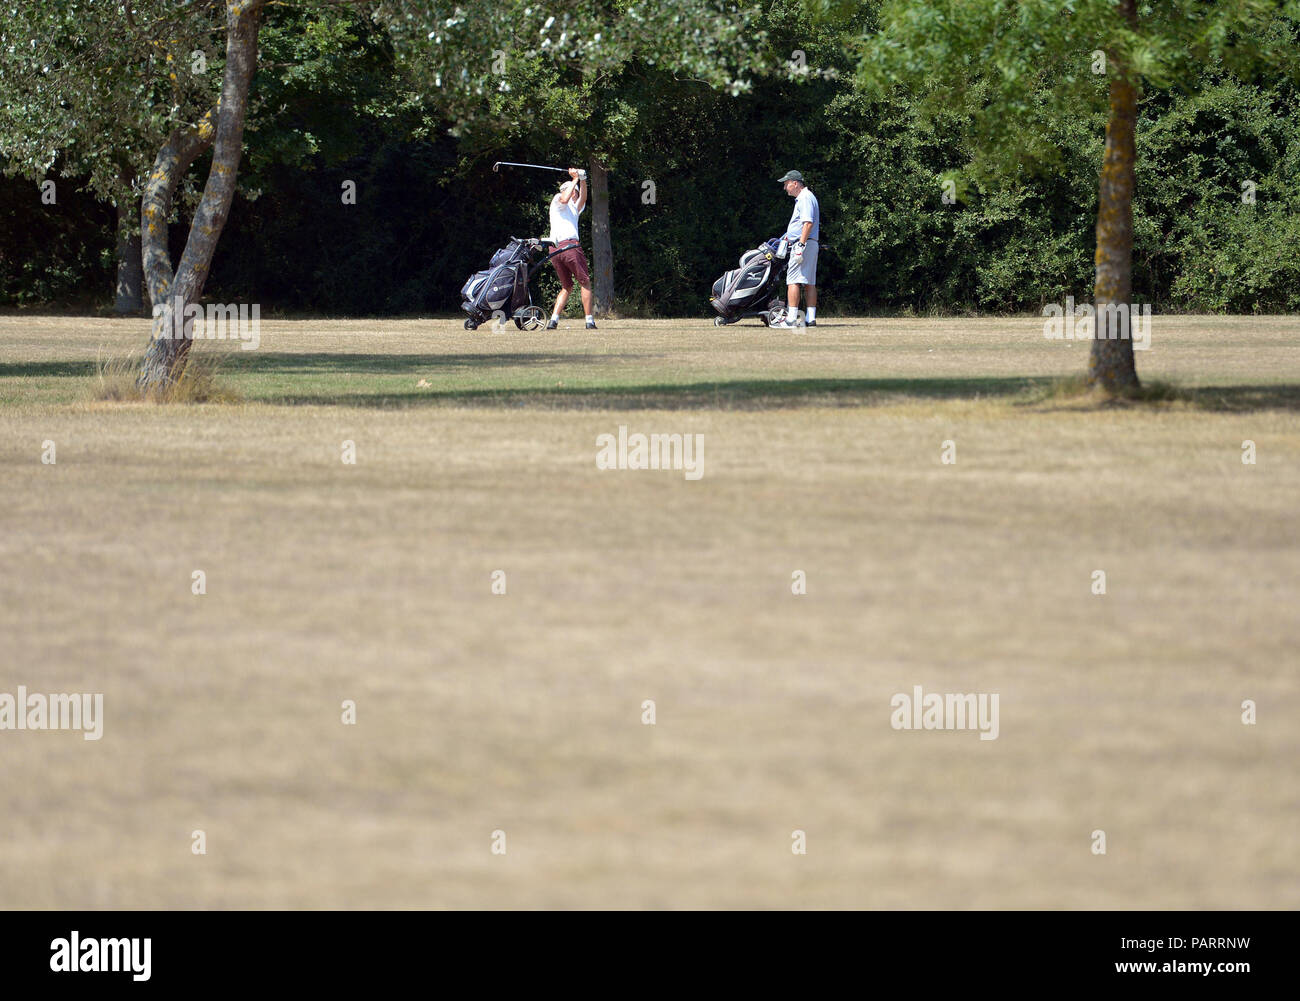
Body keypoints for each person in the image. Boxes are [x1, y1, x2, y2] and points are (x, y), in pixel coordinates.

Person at [546, 167, 597, 330]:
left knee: (567, 286)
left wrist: (583, 178)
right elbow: (564, 199)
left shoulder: (574, 208)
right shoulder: (558, 199)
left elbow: (584, 197)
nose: (574, 194)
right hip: (569, 247)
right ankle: (589, 321)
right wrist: (574, 179)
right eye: (572, 191)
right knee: (585, 282)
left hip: (555, 250)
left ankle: (553, 320)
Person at [775, 170, 819, 328]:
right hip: (810, 243)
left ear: (795, 183)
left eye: (786, 184)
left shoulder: (804, 198)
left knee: (793, 280)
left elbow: (807, 223)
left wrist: (800, 244)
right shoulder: (808, 197)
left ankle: (792, 319)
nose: (785, 187)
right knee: (809, 282)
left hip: (803, 244)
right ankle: (810, 319)